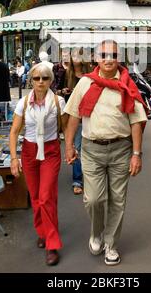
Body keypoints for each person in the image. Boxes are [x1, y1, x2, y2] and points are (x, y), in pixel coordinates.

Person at [64, 40, 147, 266]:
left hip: (121, 149)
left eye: (112, 54)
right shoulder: (85, 83)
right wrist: (69, 145)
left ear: (118, 57)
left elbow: (136, 121)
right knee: (93, 199)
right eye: (104, 54)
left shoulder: (127, 84)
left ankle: (111, 243)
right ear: (96, 58)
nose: (108, 58)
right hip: (91, 149)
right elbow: (73, 116)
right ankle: (96, 233)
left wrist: (137, 154)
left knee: (118, 200)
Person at [10, 63, 67, 266]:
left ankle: (52, 243)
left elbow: (67, 128)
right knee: (35, 197)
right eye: (36, 78)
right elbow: (15, 132)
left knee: (45, 197)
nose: (41, 82)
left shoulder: (58, 102)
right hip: (29, 151)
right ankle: (42, 231)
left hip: (50, 151)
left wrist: (70, 148)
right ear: (31, 80)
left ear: (51, 80)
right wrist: (14, 159)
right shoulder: (24, 103)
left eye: (45, 78)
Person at [61, 47, 91, 195]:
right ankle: (77, 180)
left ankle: (91, 176)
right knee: (77, 146)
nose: (76, 58)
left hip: (89, 114)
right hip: (74, 116)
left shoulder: (91, 75)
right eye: (73, 55)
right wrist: (64, 91)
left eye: (79, 55)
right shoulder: (67, 74)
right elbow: (58, 91)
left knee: (90, 147)